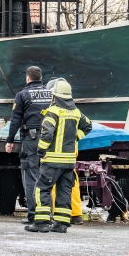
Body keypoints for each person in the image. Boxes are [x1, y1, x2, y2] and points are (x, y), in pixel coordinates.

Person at [26, 79, 92, 234]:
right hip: (69, 162)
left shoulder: (53, 112)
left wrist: (41, 150)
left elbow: (47, 133)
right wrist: (75, 137)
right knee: (64, 191)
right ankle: (61, 224)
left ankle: (41, 222)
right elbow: (88, 126)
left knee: (42, 188)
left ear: (55, 96)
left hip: (52, 160)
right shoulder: (76, 113)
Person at [5, 66, 51, 225]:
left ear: (27, 78)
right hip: (49, 139)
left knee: (31, 176)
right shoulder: (51, 94)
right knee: (46, 176)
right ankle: (46, 214)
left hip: (31, 140)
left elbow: (16, 120)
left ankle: (33, 215)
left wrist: (9, 140)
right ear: (41, 77)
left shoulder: (22, 95)